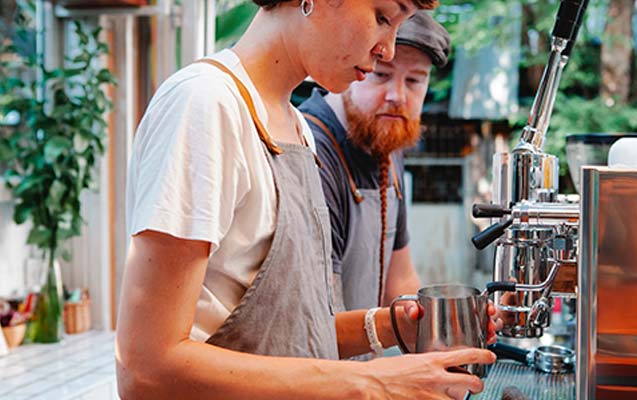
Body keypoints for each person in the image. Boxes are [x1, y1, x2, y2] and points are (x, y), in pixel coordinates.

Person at [116, 1, 497, 399]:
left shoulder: (296, 128)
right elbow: (146, 368)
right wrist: (371, 381)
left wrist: (390, 326)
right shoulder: (205, 104)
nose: (387, 48)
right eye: (383, 17)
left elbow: (286, 337)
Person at [299, 13, 448, 321]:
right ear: (354, 66)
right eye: (381, 75)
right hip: (316, 364)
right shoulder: (311, 150)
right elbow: (315, 318)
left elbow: (400, 283)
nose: (397, 96)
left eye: (414, 80)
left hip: (360, 364)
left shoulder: (385, 140)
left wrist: (447, 325)